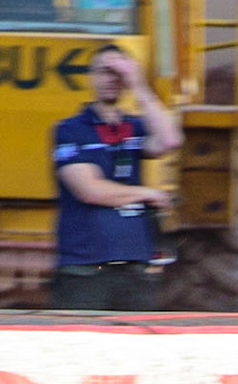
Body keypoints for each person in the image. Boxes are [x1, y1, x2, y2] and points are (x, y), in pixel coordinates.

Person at [49, 45, 182, 310]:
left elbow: (170, 139)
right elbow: (89, 190)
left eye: (117, 73)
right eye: (104, 71)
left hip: (135, 268)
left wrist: (139, 86)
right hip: (85, 269)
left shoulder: (133, 127)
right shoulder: (70, 130)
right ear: (91, 77)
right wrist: (147, 194)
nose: (111, 79)